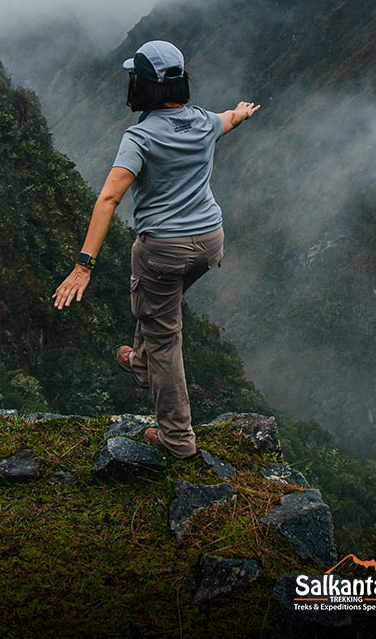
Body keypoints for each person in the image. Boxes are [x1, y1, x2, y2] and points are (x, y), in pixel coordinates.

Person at [52, 40, 260, 458]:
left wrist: (83, 265)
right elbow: (226, 121)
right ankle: (141, 361)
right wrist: (239, 114)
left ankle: (177, 439)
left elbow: (109, 198)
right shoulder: (201, 121)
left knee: (164, 334)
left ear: (143, 86)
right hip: (210, 241)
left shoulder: (140, 137)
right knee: (157, 305)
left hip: (163, 250)